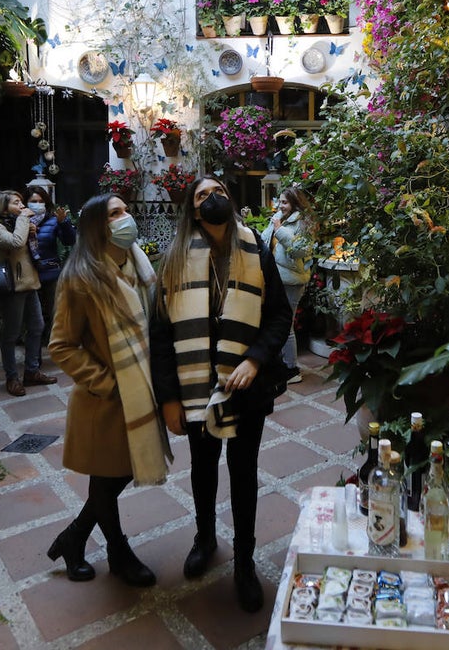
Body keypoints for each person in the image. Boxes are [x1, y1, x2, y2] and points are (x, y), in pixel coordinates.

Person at [150, 177, 292, 613]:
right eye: (202, 196)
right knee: (204, 467)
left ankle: (244, 561)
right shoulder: (173, 259)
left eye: (220, 192)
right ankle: (205, 537)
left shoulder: (255, 248)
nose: (214, 199)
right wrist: (169, 399)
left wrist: (255, 360)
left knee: (243, 470)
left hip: (244, 384)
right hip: (195, 388)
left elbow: (279, 314)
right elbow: (159, 334)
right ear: (193, 211)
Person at [46, 193, 171, 586]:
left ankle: (74, 537)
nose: (125, 218)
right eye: (115, 213)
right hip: (107, 399)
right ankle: (118, 552)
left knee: (116, 475)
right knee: (106, 477)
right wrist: (108, 384)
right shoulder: (80, 277)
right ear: (97, 226)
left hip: (141, 392)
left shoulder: (138, 262)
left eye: (125, 210)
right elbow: (61, 345)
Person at [0, 189, 58, 396]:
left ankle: (32, 371)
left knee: (37, 326)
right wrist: (24, 221)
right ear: (3, 206)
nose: (23, 206)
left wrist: (29, 229)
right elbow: (15, 242)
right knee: (11, 333)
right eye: (17, 203)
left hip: (28, 282)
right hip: (11, 287)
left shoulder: (16, 223)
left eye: (21, 203)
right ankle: (12, 377)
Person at [260, 186, 314, 384]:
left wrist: (279, 230)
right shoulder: (278, 219)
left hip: (292, 282)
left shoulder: (303, 224)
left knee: (286, 324)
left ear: (295, 203)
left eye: (284, 202)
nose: (280, 205)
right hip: (276, 279)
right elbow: (264, 240)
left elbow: (301, 251)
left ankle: (291, 369)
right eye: (279, 201)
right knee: (277, 322)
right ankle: (282, 364)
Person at [26, 185, 76, 332]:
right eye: (33, 201)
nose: (37, 204)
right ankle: (34, 354)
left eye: (40, 201)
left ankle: (57, 348)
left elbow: (69, 241)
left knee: (57, 316)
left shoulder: (53, 220)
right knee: (32, 320)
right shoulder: (20, 220)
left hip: (50, 272)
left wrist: (64, 223)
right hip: (27, 275)